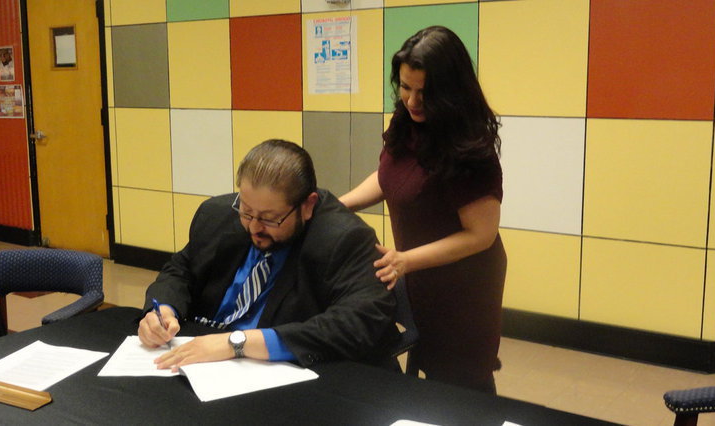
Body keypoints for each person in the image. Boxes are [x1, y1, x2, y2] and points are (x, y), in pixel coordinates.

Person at [339, 26, 507, 393]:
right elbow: (391, 175)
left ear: (450, 92)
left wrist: (406, 261)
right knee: (427, 367)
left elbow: (481, 235)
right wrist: (341, 204)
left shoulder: (470, 147)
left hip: (463, 282)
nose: (412, 101)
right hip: (417, 268)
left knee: (462, 380)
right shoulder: (408, 119)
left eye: (424, 93)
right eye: (405, 87)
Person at [139, 139, 399, 371]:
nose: (254, 227)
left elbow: (356, 323)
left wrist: (237, 342)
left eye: (270, 219)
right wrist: (162, 312)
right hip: (204, 364)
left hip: (293, 375)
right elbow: (181, 270)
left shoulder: (345, 238)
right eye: (247, 211)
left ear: (307, 206)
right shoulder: (217, 214)